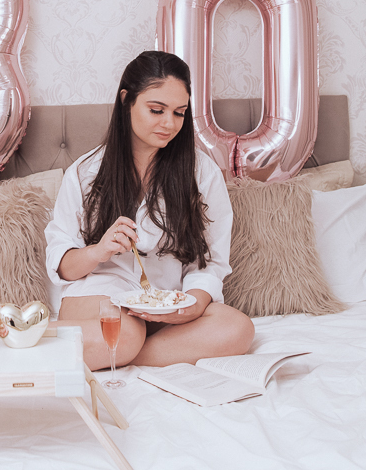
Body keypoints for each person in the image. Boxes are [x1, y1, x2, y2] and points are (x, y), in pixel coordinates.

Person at [45, 51, 254, 372]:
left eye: (179, 113)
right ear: (127, 100)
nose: (169, 123)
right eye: (156, 110)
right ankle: (115, 345)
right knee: (125, 329)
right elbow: (64, 268)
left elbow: (210, 264)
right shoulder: (84, 173)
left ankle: (118, 352)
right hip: (98, 300)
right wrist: (98, 251)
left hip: (166, 306)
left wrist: (192, 306)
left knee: (238, 328)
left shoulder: (202, 173)